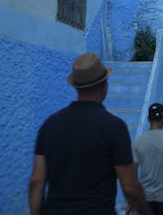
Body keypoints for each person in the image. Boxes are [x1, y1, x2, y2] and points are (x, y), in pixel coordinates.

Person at [28, 52, 151, 215]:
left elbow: (37, 181)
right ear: (104, 85)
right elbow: (130, 187)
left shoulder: (50, 125)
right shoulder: (114, 127)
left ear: (76, 87)